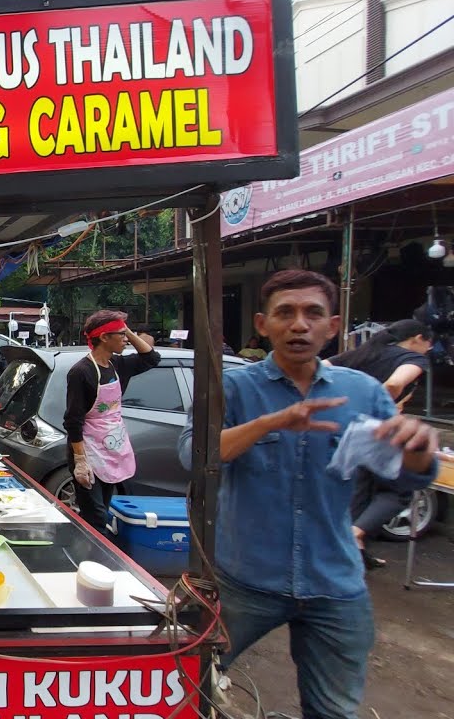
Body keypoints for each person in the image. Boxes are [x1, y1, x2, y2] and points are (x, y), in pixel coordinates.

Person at [178, 270, 438, 719]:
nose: (299, 325)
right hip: (245, 579)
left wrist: (416, 450)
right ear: (262, 324)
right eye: (285, 313)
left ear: (332, 326)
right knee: (186, 689)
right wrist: (271, 423)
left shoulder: (363, 393)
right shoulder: (232, 388)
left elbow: (406, 477)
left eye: (312, 313)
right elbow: (192, 456)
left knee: (333, 710)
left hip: (334, 583)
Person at [326, 318, 435, 569]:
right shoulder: (413, 358)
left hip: (349, 430)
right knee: (398, 493)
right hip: (378, 430)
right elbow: (395, 383)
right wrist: (381, 412)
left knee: (361, 492)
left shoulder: (365, 353)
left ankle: (356, 552)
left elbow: (320, 367)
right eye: (428, 344)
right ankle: (353, 535)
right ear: (417, 338)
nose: (428, 350)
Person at [63, 310, 160, 530]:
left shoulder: (119, 365)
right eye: (120, 333)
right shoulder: (81, 372)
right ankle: (91, 559)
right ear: (104, 337)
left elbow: (152, 358)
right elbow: (73, 420)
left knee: (104, 508)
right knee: (95, 515)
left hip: (111, 445)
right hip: (88, 450)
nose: (126, 338)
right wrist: (80, 461)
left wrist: (126, 329)